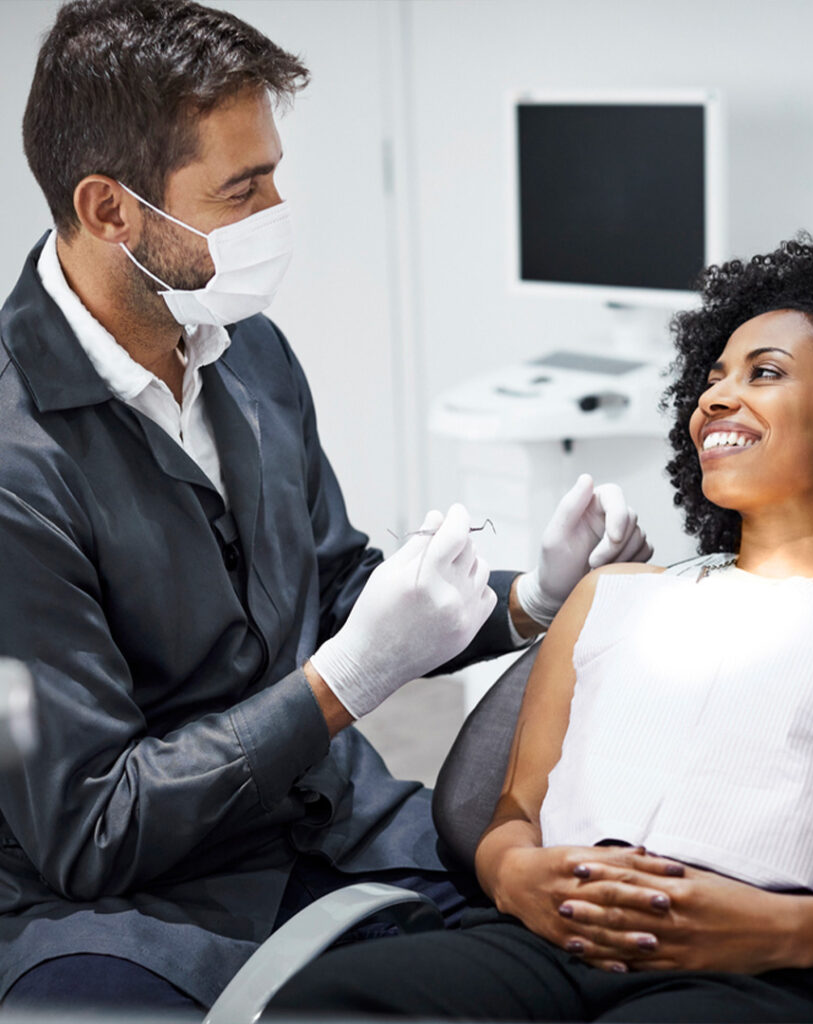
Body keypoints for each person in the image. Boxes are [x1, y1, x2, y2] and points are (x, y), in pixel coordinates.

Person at [0, 0, 653, 1015]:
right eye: (242, 187)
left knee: (593, 968)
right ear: (108, 210)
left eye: (273, 175)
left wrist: (527, 595)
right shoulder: (15, 459)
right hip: (133, 905)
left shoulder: (241, 349)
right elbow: (93, 827)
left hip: (334, 822)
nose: (275, 212)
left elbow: (337, 583)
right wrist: (339, 685)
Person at [268, 234, 813, 1023]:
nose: (715, 399)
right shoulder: (612, 595)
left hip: (762, 977)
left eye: (763, 373)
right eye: (712, 377)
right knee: (326, 1002)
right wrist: (512, 875)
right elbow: (512, 815)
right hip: (543, 948)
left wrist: (777, 929)